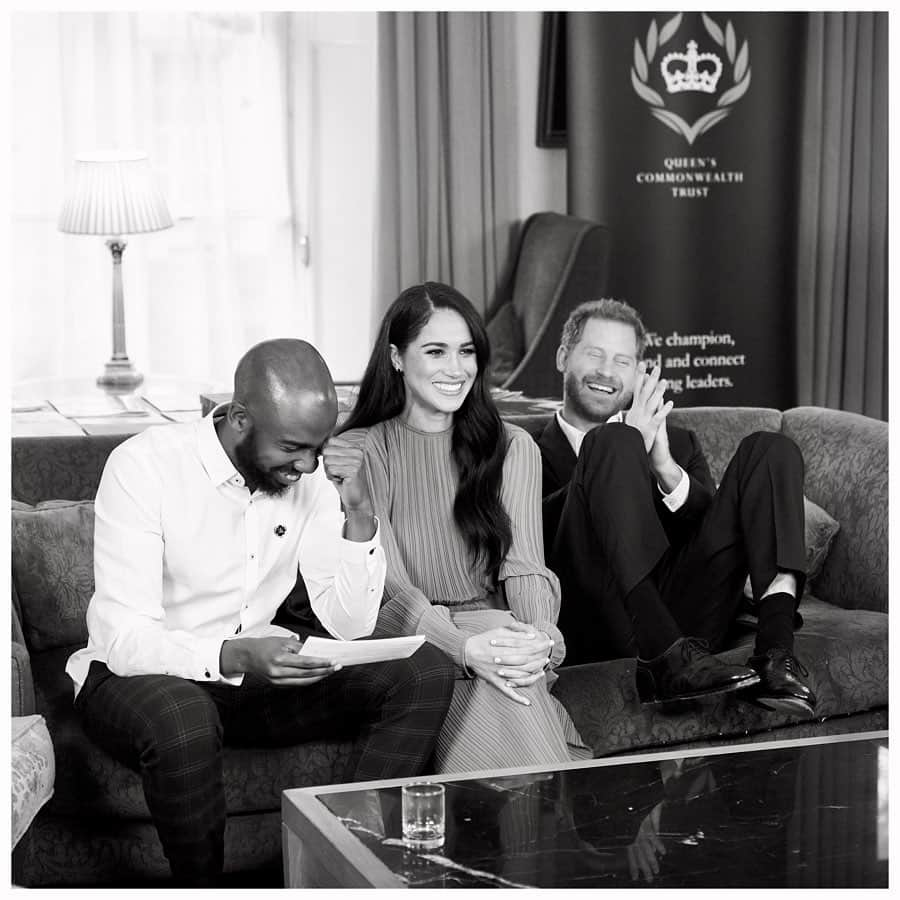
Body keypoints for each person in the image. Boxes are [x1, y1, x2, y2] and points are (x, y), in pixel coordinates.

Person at [66, 339, 455, 886]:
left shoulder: (313, 474)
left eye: (318, 448)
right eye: (294, 447)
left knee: (425, 671)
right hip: (138, 676)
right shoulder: (145, 466)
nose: (307, 465)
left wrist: (361, 515)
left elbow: (351, 623)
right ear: (241, 419)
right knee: (185, 717)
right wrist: (232, 652)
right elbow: (124, 635)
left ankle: (345, 871)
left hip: (251, 675)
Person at [340, 282, 588, 774]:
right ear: (396, 357)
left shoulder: (513, 446)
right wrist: (463, 647)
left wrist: (540, 635)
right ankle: (537, 830)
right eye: (436, 351)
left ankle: (512, 831)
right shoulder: (364, 449)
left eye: (466, 352)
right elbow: (385, 586)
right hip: (407, 637)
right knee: (497, 650)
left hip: (499, 636)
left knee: (506, 648)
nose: (456, 370)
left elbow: (524, 567)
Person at [540, 299, 815, 712]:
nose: (606, 371)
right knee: (613, 442)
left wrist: (664, 467)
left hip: (691, 618)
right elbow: (531, 537)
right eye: (594, 354)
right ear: (564, 357)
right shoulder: (522, 449)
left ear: (639, 373)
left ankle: (776, 655)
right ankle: (662, 659)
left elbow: (720, 534)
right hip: (597, 619)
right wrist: (618, 450)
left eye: (622, 361)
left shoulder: (681, 443)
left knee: (771, 449)